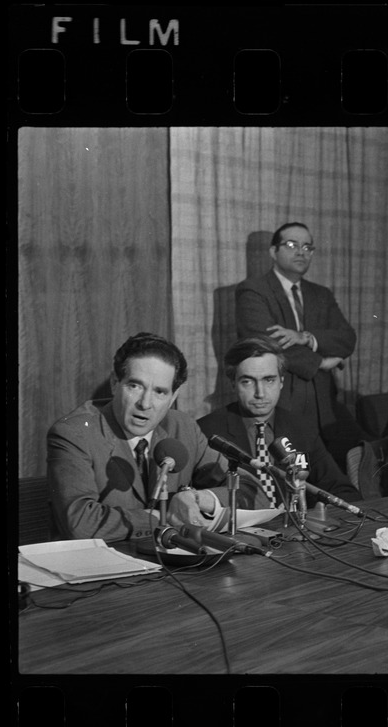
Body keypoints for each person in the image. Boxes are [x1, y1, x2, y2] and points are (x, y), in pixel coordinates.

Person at [47, 332, 260, 542]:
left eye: (160, 392)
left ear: (173, 397)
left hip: (168, 567)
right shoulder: (75, 433)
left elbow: (253, 492)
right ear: (115, 383)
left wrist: (199, 498)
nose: (145, 403)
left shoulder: (183, 427)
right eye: (135, 386)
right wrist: (166, 517)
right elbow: (80, 524)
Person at [235, 221, 365, 467]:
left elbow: (347, 338)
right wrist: (321, 362)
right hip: (282, 404)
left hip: (324, 405)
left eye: (308, 247)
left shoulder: (321, 294)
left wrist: (305, 337)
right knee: (288, 476)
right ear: (274, 252)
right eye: (292, 245)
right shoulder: (253, 290)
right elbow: (265, 344)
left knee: (337, 469)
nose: (301, 252)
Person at [197, 337, 360, 508]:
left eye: (269, 380)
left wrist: (324, 514)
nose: (260, 393)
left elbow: (342, 490)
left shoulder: (301, 427)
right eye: (248, 381)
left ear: (281, 382)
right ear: (233, 384)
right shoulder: (207, 431)